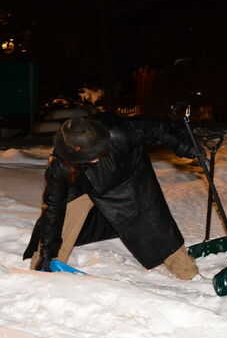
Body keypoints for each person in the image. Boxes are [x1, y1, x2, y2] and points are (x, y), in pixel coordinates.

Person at [23, 114, 199, 280]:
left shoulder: (119, 131)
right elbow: (53, 209)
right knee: (64, 216)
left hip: (128, 178)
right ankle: (46, 270)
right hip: (86, 187)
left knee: (156, 224)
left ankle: (185, 270)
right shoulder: (61, 166)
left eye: (98, 152)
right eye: (91, 156)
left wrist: (184, 146)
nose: (97, 159)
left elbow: (159, 130)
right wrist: (47, 253)